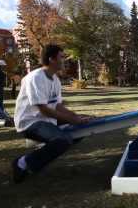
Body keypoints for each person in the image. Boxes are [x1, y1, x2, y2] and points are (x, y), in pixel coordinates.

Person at [11, 44, 90, 184]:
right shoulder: (35, 78)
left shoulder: (55, 80)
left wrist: (76, 117)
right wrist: (72, 120)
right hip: (29, 122)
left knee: (83, 128)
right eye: (61, 57)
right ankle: (22, 163)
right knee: (62, 140)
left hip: (45, 120)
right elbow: (44, 110)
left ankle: (46, 146)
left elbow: (57, 106)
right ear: (52, 59)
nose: (64, 60)